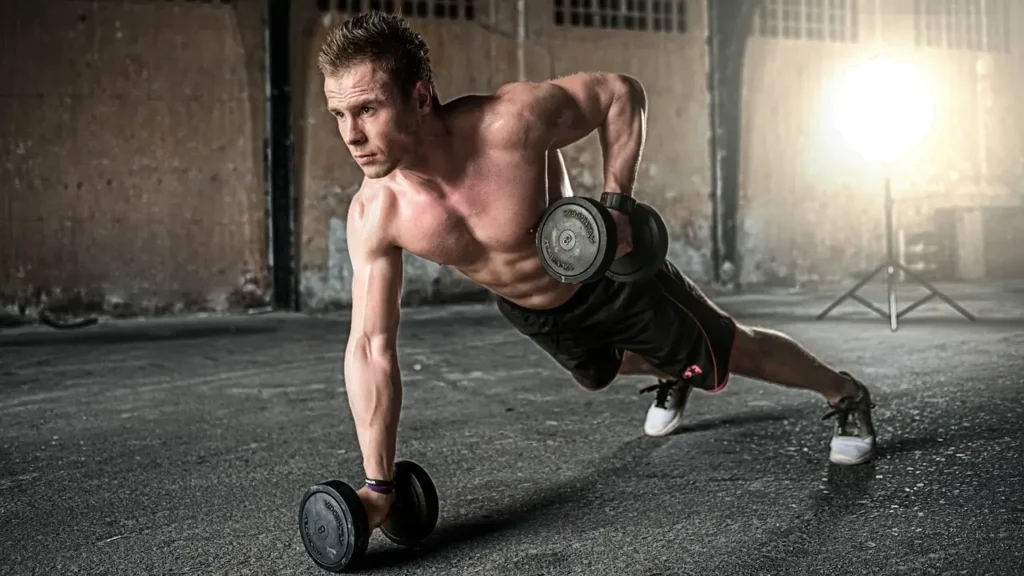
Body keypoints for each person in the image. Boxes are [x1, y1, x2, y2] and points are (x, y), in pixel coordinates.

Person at [318, 12, 878, 530]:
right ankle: (669, 373)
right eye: (339, 114)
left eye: (367, 109)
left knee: (726, 349)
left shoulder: (509, 124)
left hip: (605, 279)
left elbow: (619, 94)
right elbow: (370, 347)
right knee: (598, 371)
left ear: (419, 96)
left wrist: (617, 203)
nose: (351, 135)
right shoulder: (376, 213)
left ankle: (844, 394)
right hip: (531, 311)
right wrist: (377, 483)